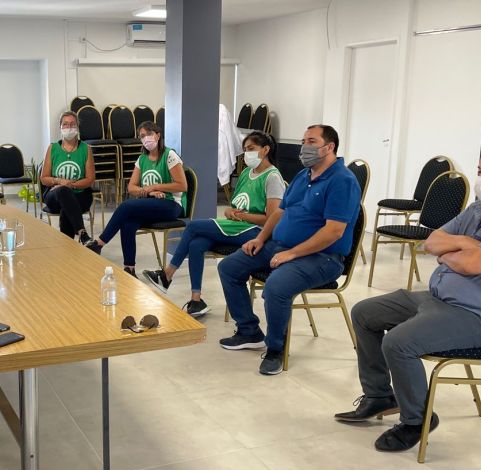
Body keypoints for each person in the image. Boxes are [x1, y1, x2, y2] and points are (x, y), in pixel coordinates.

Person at [334, 138, 481, 452]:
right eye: (480, 170)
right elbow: (432, 241)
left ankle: (416, 420)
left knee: (399, 342)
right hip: (439, 299)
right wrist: (467, 245)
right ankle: (380, 396)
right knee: (365, 313)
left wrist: (464, 254)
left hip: (479, 317)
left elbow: (475, 264)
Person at [217, 124, 361, 375]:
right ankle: (249, 331)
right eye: (303, 141)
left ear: (330, 147)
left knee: (276, 287)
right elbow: (280, 212)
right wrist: (260, 239)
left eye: (311, 141)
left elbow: (333, 232)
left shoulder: (343, 181)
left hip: (323, 257)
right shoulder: (304, 175)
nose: (304, 147)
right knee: (229, 267)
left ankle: (276, 349)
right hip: (280, 246)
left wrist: (292, 253)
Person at [142, 131, 285, 317]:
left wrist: (243, 217)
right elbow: (233, 207)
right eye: (245, 150)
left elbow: (272, 218)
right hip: (237, 225)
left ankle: (167, 274)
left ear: (265, 150)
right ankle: (196, 300)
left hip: (256, 232)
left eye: (251, 149)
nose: (247, 153)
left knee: (193, 227)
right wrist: (230, 212)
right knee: (196, 244)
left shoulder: (272, 177)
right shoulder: (246, 173)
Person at [85, 121, 187, 276]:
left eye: (149, 134)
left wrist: (154, 187)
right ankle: (130, 269)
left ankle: (99, 243)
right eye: (142, 136)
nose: (146, 138)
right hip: (150, 202)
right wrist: (148, 192)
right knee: (127, 222)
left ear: (158, 135)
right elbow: (131, 187)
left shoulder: (169, 155)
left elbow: (182, 185)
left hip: (171, 204)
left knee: (126, 207)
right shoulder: (142, 159)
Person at [40, 111, 96, 242]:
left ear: (78, 127)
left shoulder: (86, 148)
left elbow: (90, 179)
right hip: (54, 195)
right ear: (60, 127)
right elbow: (44, 178)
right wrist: (60, 181)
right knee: (63, 192)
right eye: (65, 124)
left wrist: (71, 185)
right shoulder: (53, 148)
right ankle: (82, 234)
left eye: (72, 124)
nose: (69, 127)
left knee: (67, 207)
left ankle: (68, 247)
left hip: (80, 195)